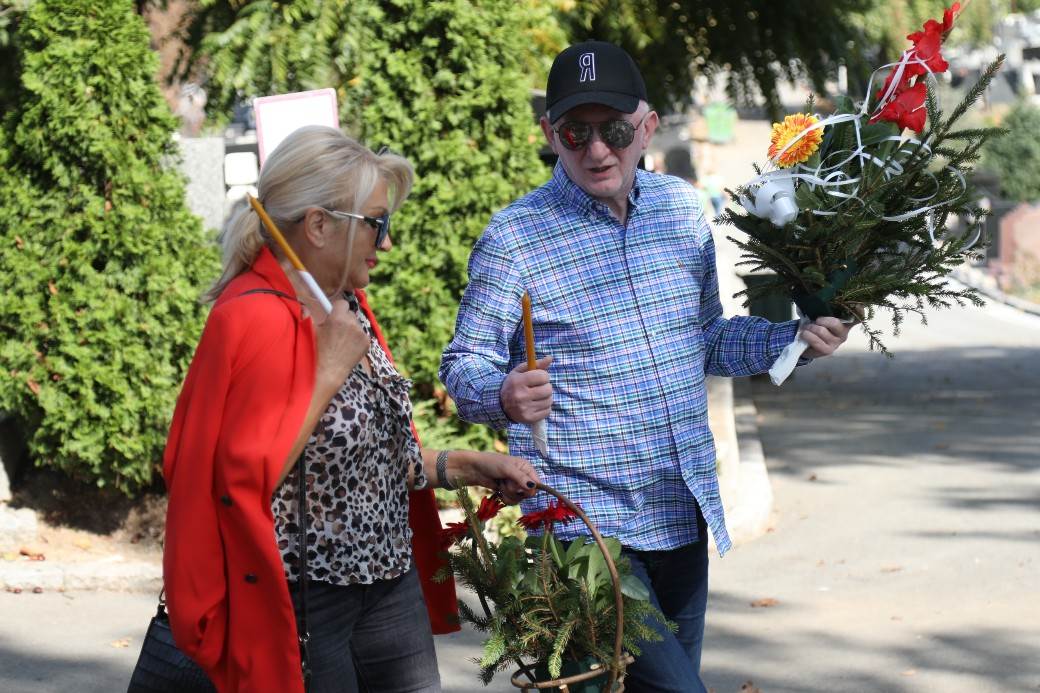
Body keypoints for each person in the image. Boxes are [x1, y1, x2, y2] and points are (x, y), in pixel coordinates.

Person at [439, 41, 851, 692]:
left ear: (648, 126)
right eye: (576, 132)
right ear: (549, 133)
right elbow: (464, 364)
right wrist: (503, 393)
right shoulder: (514, 238)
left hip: (680, 511)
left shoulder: (681, 210)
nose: (597, 150)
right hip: (583, 530)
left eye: (614, 129)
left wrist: (793, 337)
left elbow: (707, 340)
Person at [163, 125, 539, 693]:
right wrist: (327, 372)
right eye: (376, 223)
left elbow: (373, 459)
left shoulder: (345, 307)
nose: (386, 243)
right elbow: (240, 481)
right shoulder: (252, 317)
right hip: (306, 600)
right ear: (318, 225)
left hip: (388, 584)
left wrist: (468, 465)